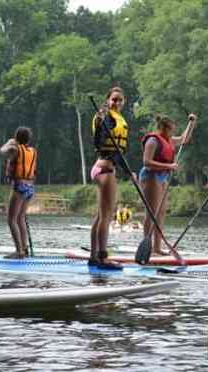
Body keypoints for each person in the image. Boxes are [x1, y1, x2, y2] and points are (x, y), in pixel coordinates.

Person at [139, 113, 197, 255]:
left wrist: (192, 123)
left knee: (161, 212)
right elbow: (146, 162)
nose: (172, 132)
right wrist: (170, 166)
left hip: (162, 177)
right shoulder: (153, 140)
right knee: (152, 213)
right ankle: (148, 247)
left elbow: (184, 139)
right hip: (150, 176)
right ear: (162, 128)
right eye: (171, 129)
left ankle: (157, 248)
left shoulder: (169, 139)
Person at [89, 86, 129, 269]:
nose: (117, 103)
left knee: (100, 216)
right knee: (106, 216)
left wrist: (128, 171)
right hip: (104, 169)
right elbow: (99, 142)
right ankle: (103, 257)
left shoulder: (116, 118)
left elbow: (118, 151)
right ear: (107, 100)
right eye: (114, 99)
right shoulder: (105, 117)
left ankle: (94, 255)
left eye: (120, 100)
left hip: (103, 168)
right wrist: (102, 125)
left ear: (124, 101)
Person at [0, 127, 37, 259]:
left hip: (20, 186)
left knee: (11, 219)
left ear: (17, 138)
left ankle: (19, 251)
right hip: (30, 186)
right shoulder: (32, 151)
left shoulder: (15, 149)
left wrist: (10, 142)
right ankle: (24, 248)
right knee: (20, 217)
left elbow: (2, 150)